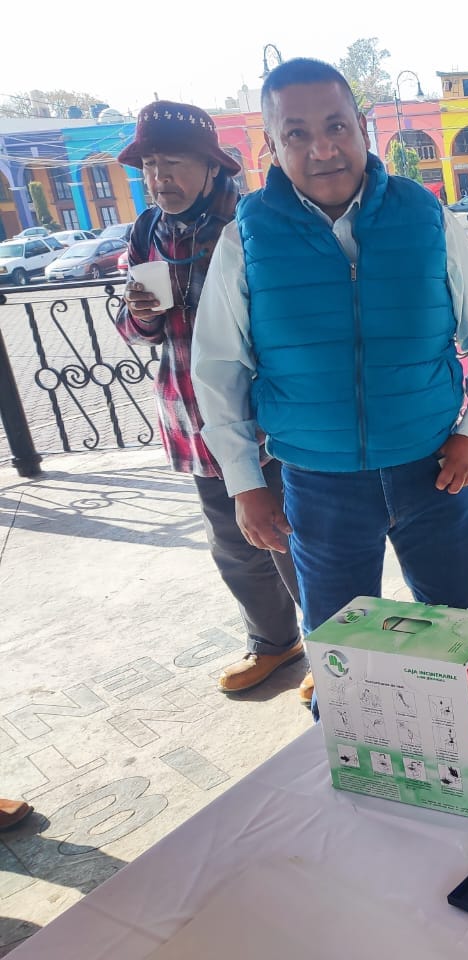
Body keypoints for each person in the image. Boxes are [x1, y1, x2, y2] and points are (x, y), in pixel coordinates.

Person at [192, 59, 468, 701]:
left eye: (336, 125)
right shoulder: (245, 237)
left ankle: (466, 771)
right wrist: (245, 483)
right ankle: (352, 781)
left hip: (436, 475)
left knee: (456, 639)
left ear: (363, 127)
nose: (322, 148)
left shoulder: (426, 216)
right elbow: (220, 367)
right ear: (271, 148)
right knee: (340, 655)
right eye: (297, 133)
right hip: (319, 487)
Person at [113, 101, 303, 696]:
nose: (159, 178)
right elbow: (133, 325)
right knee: (233, 542)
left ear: (209, 167)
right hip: (191, 419)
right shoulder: (147, 231)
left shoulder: (249, 224)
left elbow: (288, 320)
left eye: (172, 163)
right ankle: (275, 643)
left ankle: (336, 651)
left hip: (261, 420)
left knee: (290, 538)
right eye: (149, 166)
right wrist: (140, 315)